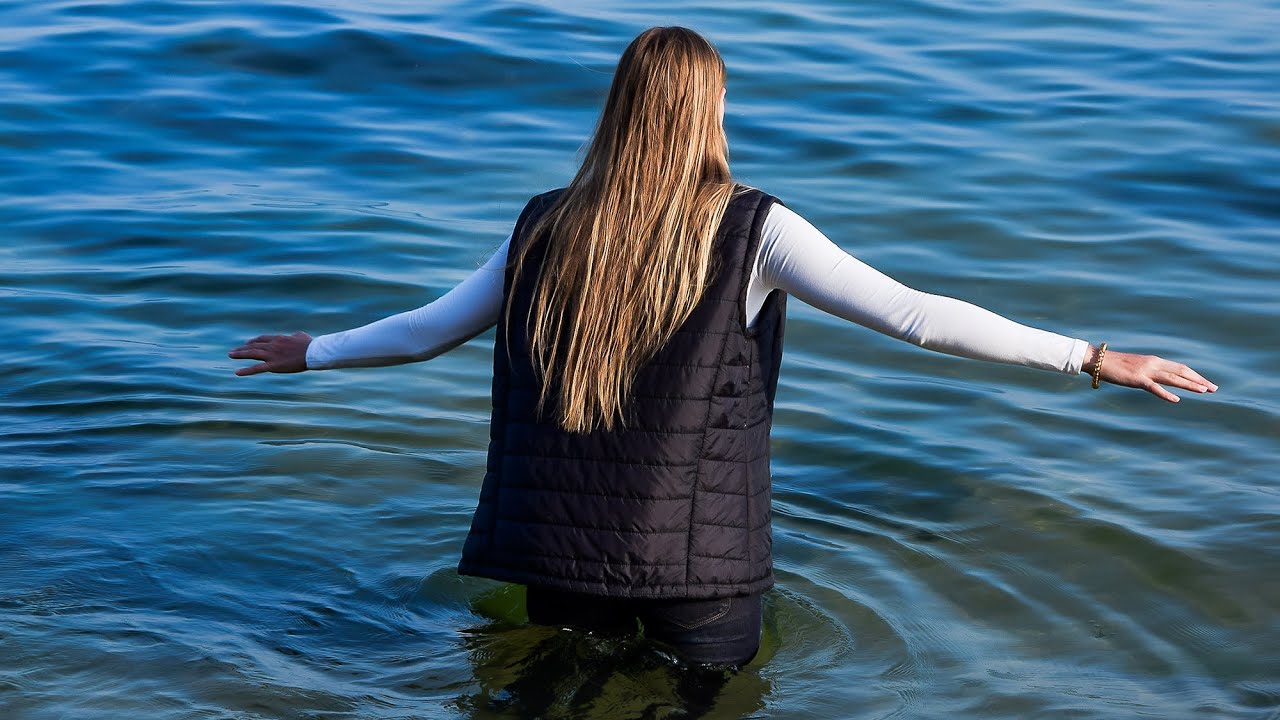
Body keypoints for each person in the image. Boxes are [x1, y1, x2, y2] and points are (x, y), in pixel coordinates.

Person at [229, 27, 1216, 670]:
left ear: (616, 108)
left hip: (552, 558)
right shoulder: (752, 228)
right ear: (709, 110)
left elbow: (426, 332)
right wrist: (1088, 355)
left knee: (532, 691)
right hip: (695, 574)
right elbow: (914, 316)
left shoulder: (543, 224)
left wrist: (312, 352)